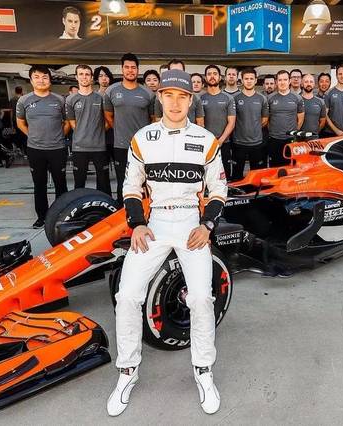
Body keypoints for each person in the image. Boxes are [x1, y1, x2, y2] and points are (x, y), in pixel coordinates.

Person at [108, 69, 227, 416]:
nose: (175, 103)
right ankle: (127, 371)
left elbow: (219, 188)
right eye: (169, 96)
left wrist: (207, 225)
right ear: (159, 97)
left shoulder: (206, 139)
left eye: (182, 97)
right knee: (127, 296)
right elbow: (131, 187)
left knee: (201, 297)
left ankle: (203, 369)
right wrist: (137, 224)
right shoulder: (142, 138)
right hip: (156, 221)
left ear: (191, 101)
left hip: (191, 221)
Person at [16, 65, 69, 228]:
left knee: (61, 184)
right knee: (39, 184)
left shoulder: (60, 100)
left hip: (57, 149)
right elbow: (20, 123)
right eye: (37, 77)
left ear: (50, 80)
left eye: (45, 77)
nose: (41, 80)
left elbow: (67, 122)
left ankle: (61, 215)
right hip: (35, 150)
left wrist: (60, 136)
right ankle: (42, 217)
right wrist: (32, 136)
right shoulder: (24, 100)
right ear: (31, 80)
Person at [105, 53, 155, 208]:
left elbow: (154, 119)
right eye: (126, 67)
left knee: (144, 182)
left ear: (138, 70)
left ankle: (145, 211)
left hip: (143, 147)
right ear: (122, 69)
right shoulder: (111, 91)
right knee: (123, 181)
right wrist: (120, 129)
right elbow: (108, 115)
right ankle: (122, 211)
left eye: (133, 67)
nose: (130, 70)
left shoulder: (147, 93)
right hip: (120, 146)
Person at [66, 64, 113, 196]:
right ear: (76, 77)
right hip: (79, 148)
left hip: (99, 147)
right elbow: (72, 123)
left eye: (87, 74)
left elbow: (108, 121)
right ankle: (79, 206)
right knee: (79, 184)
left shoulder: (101, 98)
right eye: (81, 74)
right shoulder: (70, 99)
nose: (84, 77)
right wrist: (83, 133)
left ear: (92, 77)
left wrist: (98, 132)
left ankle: (106, 207)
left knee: (104, 183)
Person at [232, 68, 269, 179]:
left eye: (251, 79)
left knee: (256, 177)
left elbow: (265, 119)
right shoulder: (235, 98)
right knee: (237, 175)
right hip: (239, 143)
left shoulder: (262, 99)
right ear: (242, 81)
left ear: (256, 80)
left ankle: (254, 191)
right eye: (246, 79)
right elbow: (232, 119)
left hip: (256, 143)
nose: (249, 81)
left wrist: (254, 128)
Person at [201, 64, 236, 177]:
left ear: (220, 77)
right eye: (209, 74)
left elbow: (232, 122)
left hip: (223, 143)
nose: (212, 76)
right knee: (206, 175)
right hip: (206, 144)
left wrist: (220, 141)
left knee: (225, 175)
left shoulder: (228, 98)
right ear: (205, 78)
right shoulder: (200, 99)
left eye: (215, 74)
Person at [267, 70, 304, 167]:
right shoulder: (269, 98)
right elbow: (267, 119)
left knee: (291, 167)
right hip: (274, 139)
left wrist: (294, 132)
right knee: (274, 168)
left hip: (290, 139)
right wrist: (273, 131)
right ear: (276, 82)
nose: (282, 82)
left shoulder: (297, 98)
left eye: (285, 79)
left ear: (289, 81)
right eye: (280, 80)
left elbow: (300, 118)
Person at [154, 60, 204, 126]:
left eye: (180, 71)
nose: (177, 74)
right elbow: (158, 121)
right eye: (173, 71)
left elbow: (200, 123)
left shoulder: (195, 97)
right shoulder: (159, 98)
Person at [95, 66, 116, 169]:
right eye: (100, 76)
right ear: (96, 79)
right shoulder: (94, 96)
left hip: (115, 136)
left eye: (106, 76)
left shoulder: (116, 94)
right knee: (102, 170)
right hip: (99, 138)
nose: (104, 78)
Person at [9, 86, 26, 154]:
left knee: (18, 135)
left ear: (15, 92)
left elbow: (11, 111)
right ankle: (26, 152)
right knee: (25, 136)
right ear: (21, 91)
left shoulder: (12, 100)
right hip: (23, 120)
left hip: (15, 120)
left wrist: (11, 121)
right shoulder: (24, 99)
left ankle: (20, 150)